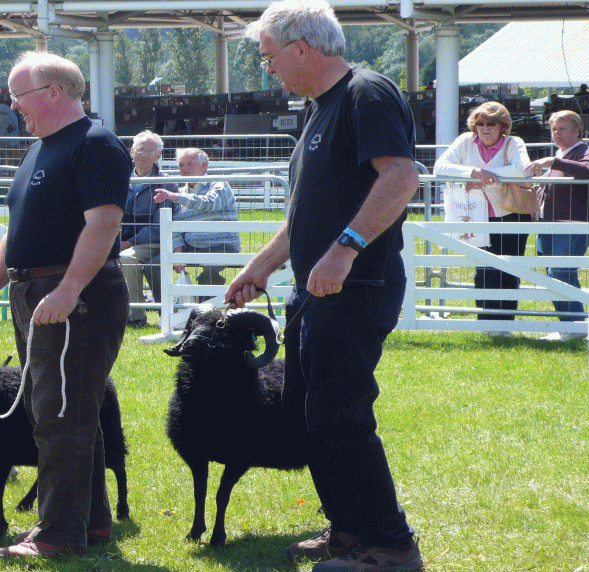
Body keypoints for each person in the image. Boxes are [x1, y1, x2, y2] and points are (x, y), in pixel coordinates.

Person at [224, 1, 423, 570]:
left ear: (301, 48)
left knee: (339, 413)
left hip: (355, 286)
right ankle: (347, 530)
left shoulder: (367, 93)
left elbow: (402, 176)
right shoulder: (318, 110)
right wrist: (260, 266)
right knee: (308, 414)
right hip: (316, 289)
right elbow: (304, 214)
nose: (268, 69)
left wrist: (345, 251)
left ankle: (389, 543)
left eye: (269, 56)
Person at [0, 52, 132, 558]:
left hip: (71, 296)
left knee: (60, 414)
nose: (13, 107)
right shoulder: (40, 149)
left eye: (19, 96)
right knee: (68, 410)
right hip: (36, 292)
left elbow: (102, 223)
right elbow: (17, 235)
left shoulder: (95, 144)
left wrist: (69, 289)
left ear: (53, 93)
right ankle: (92, 524)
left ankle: (58, 533)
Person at [434, 102, 531, 335]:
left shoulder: (513, 143)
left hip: (511, 214)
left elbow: (523, 168)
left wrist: (486, 177)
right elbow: (440, 166)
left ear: (503, 126)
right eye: (480, 124)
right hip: (476, 217)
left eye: (491, 123)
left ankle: (504, 325)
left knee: (508, 269)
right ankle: (487, 323)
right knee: (484, 270)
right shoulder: (464, 141)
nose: (485, 128)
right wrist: (474, 172)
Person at [525, 110, 589, 340]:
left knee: (560, 272)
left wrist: (553, 161)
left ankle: (573, 328)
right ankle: (572, 326)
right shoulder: (561, 154)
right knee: (555, 274)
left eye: (562, 128)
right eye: (553, 129)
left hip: (571, 224)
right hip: (547, 224)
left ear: (577, 130)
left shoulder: (583, 151)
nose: (556, 133)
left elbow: (587, 171)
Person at [154, 147, 240, 296]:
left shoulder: (219, 184)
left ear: (204, 165)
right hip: (192, 246)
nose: (184, 169)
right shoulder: (179, 193)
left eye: (189, 164)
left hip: (221, 246)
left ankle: (206, 314)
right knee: (154, 265)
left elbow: (208, 203)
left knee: (210, 271)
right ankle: (167, 309)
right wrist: (177, 251)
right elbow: (175, 225)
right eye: (181, 165)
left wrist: (174, 197)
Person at [119, 130, 177, 328]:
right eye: (140, 149)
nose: (144, 154)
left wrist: (128, 242)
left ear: (159, 155)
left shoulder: (166, 182)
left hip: (153, 241)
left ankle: (135, 317)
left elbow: (159, 226)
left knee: (127, 258)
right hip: (120, 240)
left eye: (150, 150)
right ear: (132, 152)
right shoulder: (119, 180)